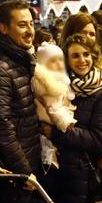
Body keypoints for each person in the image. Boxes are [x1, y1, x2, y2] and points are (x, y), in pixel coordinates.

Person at [51, 28, 102, 203]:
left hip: (82, 174)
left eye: (86, 54)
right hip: (58, 172)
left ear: (93, 56)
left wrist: (55, 133)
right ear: (67, 60)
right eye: (75, 56)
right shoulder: (60, 87)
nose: (82, 60)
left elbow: (98, 139)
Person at [0, 0, 42, 178]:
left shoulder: (21, 59)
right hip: (12, 172)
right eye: (22, 25)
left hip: (28, 160)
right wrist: (24, 171)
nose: (30, 30)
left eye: (31, 23)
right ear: (3, 28)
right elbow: (0, 126)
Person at [32, 43, 76, 171]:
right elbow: (54, 108)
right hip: (51, 125)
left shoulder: (60, 80)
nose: (58, 64)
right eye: (53, 61)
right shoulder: (48, 86)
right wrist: (65, 121)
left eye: (61, 60)